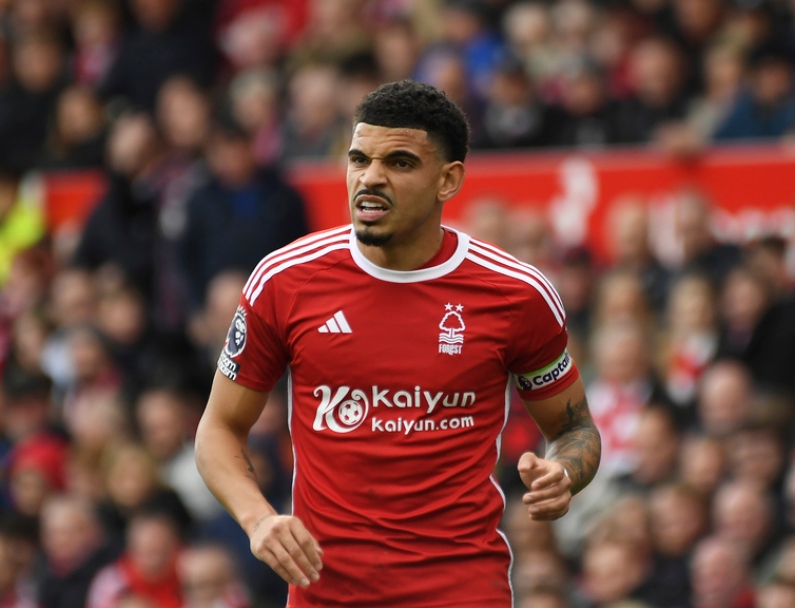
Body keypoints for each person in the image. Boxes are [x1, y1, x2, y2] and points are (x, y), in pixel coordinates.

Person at [195, 80, 602, 607]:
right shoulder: (284, 280)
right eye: (358, 159)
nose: (370, 178)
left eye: (400, 163)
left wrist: (563, 471)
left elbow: (574, 427)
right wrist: (259, 521)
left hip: (460, 590)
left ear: (448, 180)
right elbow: (218, 428)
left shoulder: (515, 295)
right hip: (325, 592)